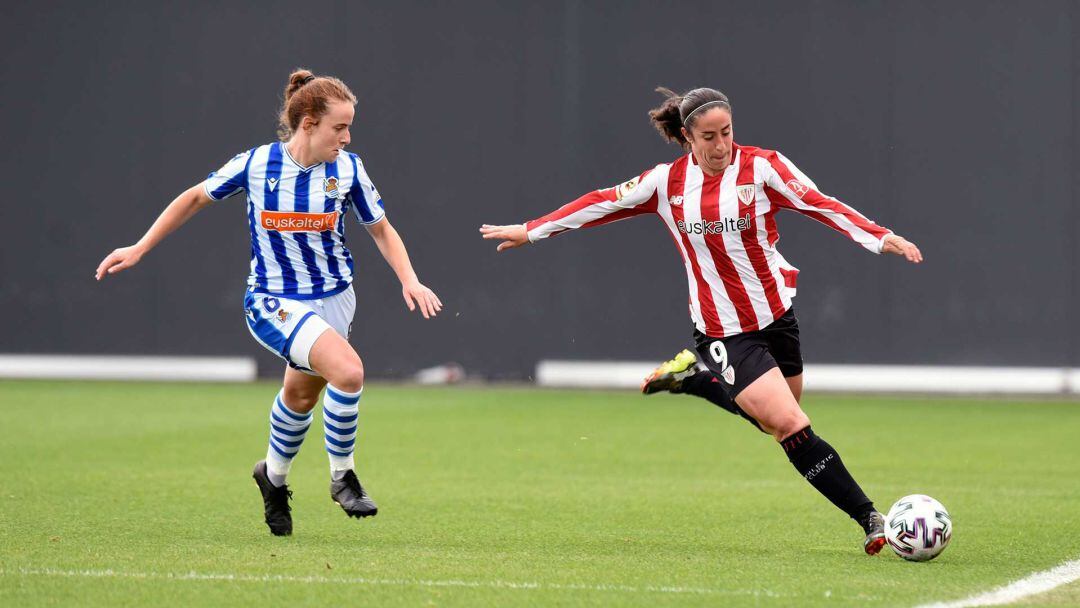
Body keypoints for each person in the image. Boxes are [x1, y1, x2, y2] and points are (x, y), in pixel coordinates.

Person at [480, 86, 922, 555]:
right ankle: (871, 518)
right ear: (687, 137)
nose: (720, 145)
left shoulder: (764, 167)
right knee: (791, 424)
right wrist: (531, 230)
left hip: (776, 315)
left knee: (778, 422)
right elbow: (600, 202)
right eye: (708, 136)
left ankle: (695, 380)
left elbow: (819, 202)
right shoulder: (665, 183)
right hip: (722, 330)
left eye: (726, 133)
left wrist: (880, 237)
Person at [96, 69, 442, 536]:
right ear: (308, 124)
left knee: (301, 395)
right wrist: (140, 246)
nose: (347, 136)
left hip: (336, 299)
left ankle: (273, 478)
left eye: (349, 127)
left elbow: (380, 228)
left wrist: (410, 279)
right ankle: (343, 477)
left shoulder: (349, 169)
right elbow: (196, 197)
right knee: (350, 372)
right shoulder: (257, 164)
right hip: (273, 300)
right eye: (339, 127)